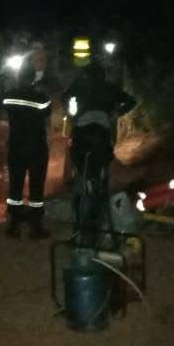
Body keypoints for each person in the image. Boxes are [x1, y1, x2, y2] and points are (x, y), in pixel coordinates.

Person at [63, 62, 136, 244]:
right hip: (102, 135)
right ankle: (98, 221)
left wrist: (72, 114)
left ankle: (79, 226)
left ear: (86, 74)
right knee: (100, 176)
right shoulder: (109, 87)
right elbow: (131, 101)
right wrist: (116, 113)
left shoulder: (79, 85)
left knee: (81, 175)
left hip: (81, 134)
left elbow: (64, 98)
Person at [2, 64, 53, 239]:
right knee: (36, 187)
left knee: (15, 187)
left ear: (18, 77)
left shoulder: (9, 97)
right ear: (33, 78)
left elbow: (5, 109)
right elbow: (47, 114)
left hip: (16, 146)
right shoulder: (41, 98)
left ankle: (14, 225)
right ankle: (35, 227)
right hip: (36, 147)